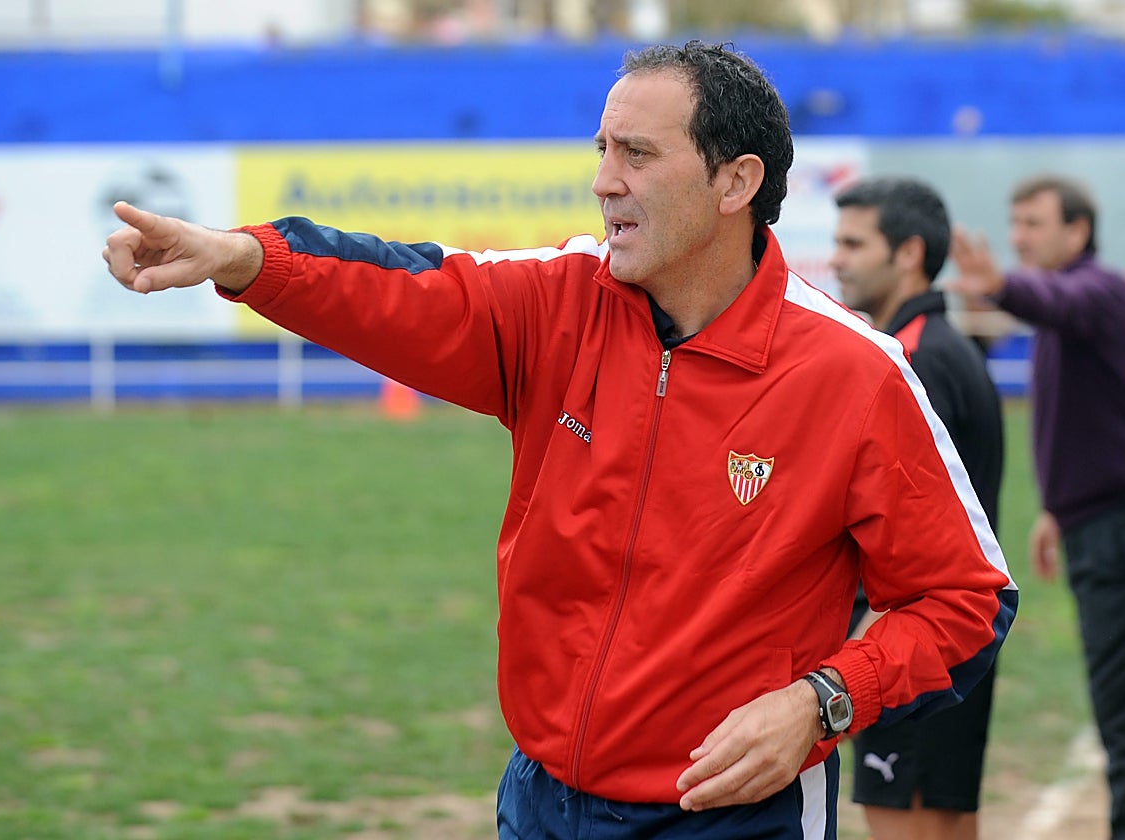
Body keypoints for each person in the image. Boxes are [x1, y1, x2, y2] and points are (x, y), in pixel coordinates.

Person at [105, 41, 1016, 840]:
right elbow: (399, 287)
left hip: (731, 818)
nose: (604, 180)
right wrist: (246, 258)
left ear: (735, 182)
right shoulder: (556, 305)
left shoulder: (852, 375)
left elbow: (967, 601)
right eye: (602, 150)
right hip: (542, 800)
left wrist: (819, 704)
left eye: (638, 154)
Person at [951, 174, 1125, 840]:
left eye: (1034, 223)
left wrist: (1001, 286)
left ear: (1077, 232)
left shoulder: (1098, 291)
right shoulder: (1062, 311)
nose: (1019, 236)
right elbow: (1091, 421)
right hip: (1104, 523)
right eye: (1015, 222)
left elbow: (1058, 297)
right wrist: (1057, 508)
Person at [831, 177, 1004, 840]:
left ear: (907, 253)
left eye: (854, 243)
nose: (838, 258)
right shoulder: (944, 346)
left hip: (913, 642)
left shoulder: (915, 359)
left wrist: (858, 646)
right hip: (957, 639)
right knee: (947, 820)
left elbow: (908, 535)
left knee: (909, 824)